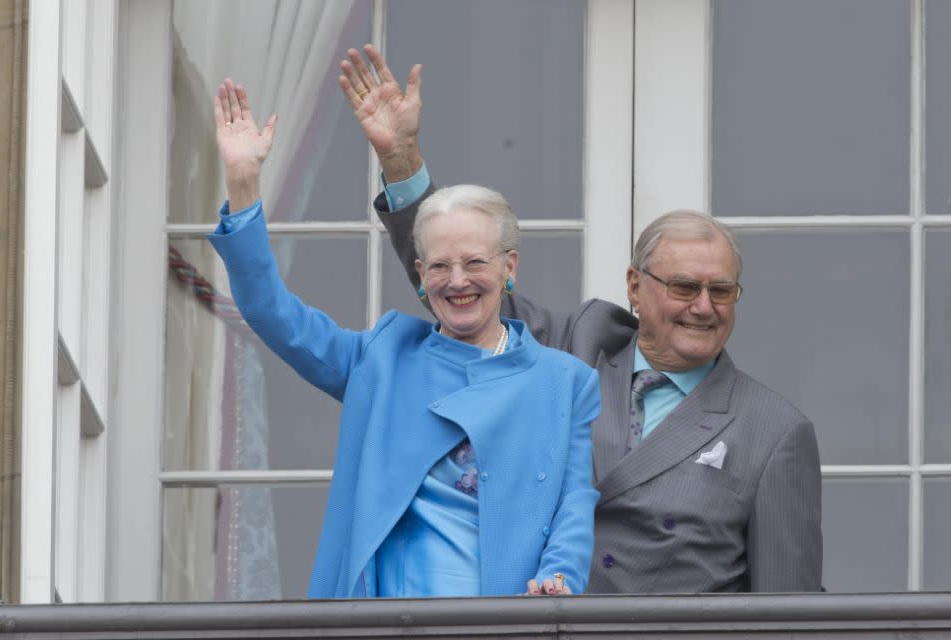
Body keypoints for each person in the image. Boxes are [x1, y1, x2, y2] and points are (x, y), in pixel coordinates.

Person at [339, 45, 823, 593]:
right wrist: (402, 160)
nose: (704, 307)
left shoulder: (775, 430)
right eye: (685, 287)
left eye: (722, 290)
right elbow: (464, 291)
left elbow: (789, 610)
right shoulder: (575, 349)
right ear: (635, 288)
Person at [208, 79, 601, 598]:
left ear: (510, 268)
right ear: (419, 275)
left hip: (504, 621)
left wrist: (559, 580)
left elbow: (574, 503)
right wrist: (243, 182)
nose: (456, 281)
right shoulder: (382, 358)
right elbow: (270, 312)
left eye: (474, 263)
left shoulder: (565, 381)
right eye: (439, 266)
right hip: (384, 619)